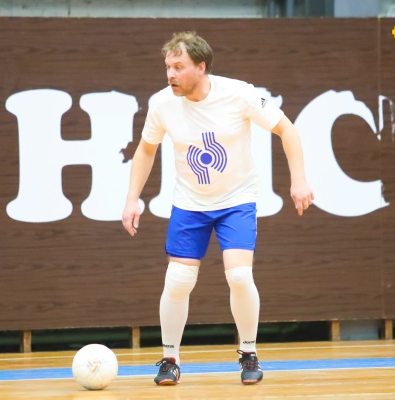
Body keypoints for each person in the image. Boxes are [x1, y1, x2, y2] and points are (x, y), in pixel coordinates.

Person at [122, 31, 314, 386]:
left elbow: (287, 130)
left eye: (179, 67)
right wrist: (131, 198)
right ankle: (170, 359)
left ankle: (248, 352)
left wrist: (299, 180)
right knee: (178, 280)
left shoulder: (239, 94)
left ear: (201, 67)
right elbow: (146, 149)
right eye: (168, 67)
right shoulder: (162, 104)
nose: (171, 74)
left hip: (236, 200)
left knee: (239, 275)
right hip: (190, 203)